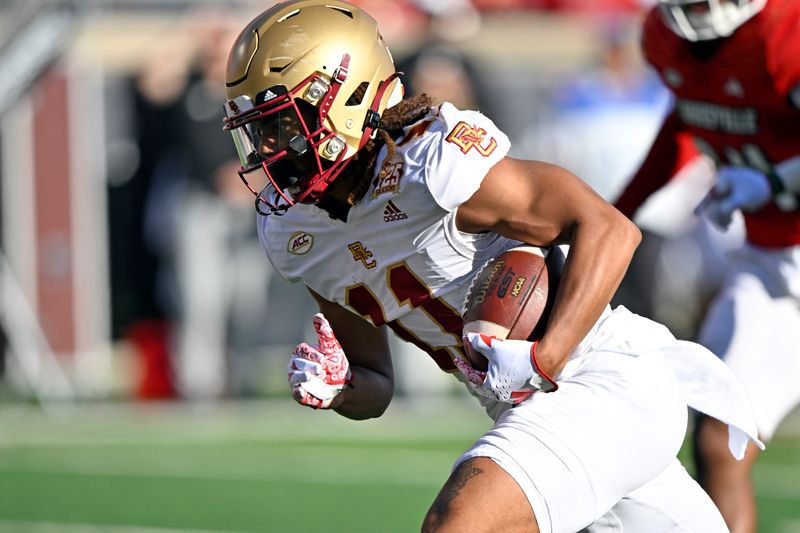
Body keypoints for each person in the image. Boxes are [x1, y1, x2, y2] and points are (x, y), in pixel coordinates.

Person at [221, 1, 763, 531]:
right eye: (258, 132)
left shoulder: (432, 166)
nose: (269, 151)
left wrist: (544, 358)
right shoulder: (296, 232)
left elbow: (609, 227)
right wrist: (340, 386)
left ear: (348, 96)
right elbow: (377, 384)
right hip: (535, 412)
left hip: (600, 380)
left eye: (283, 124)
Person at [613, 1, 800, 531]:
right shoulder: (664, 35)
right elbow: (685, 118)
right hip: (772, 262)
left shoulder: (785, 32)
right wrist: (611, 214)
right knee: (723, 437)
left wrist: (776, 180)